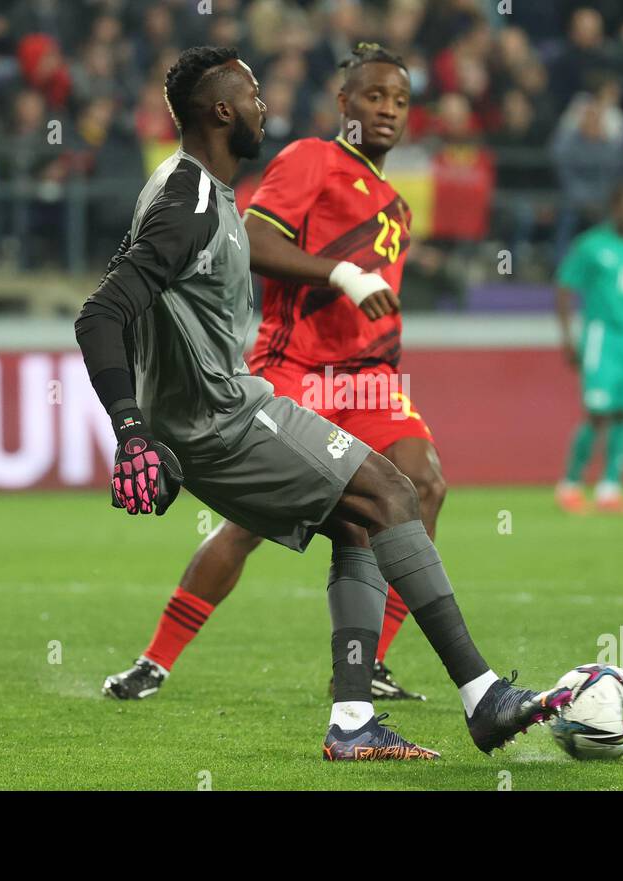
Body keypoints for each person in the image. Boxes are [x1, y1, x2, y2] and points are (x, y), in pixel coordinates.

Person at [74, 46, 572, 760]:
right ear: (221, 111)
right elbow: (100, 315)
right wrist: (130, 430)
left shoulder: (192, 191)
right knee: (394, 493)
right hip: (228, 416)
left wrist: (148, 428)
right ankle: (483, 695)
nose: (262, 106)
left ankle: (351, 721)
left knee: (362, 521)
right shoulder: (188, 199)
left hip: (212, 416)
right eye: (250, 94)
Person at [102, 43, 439, 704]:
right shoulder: (312, 159)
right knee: (247, 524)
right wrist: (341, 273)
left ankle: (369, 663)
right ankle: (156, 660)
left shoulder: (397, 208)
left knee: (424, 484)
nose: (387, 111)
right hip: (296, 367)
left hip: (367, 379)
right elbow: (254, 238)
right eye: (373, 96)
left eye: (399, 101)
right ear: (344, 104)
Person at [555, 181, 623, 515]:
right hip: (601, 336)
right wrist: (569, 338)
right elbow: (564, 288)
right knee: (598, 414)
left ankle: (610, 489)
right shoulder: (591, 246)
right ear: (614, 209)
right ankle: (570, 485)